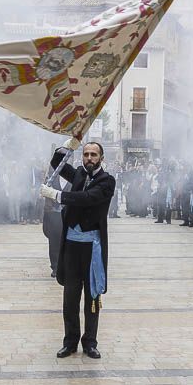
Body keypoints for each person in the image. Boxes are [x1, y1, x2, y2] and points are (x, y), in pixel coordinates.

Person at [40, 141, 115, 360]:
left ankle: (90, 343)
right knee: (70, 298)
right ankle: (70, 342)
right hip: (72, 248)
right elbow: (57, 162)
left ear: (101, 158)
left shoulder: (107, 181)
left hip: (92, 248)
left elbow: (87, 199)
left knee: (92, 299)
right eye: (86, 154)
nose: (89, 158)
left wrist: (57, 195)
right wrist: (66, 146)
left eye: (94, 154)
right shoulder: (79, 175)